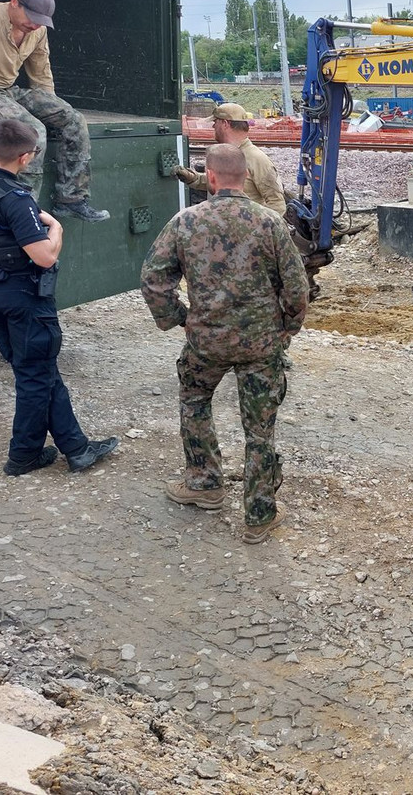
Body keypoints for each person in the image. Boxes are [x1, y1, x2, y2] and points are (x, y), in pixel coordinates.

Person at [141, 143, 308, 545]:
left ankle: (204, 484)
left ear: (211, 178)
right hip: (260, 344)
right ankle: (259, 517)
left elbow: (153, 280)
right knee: (259, 430)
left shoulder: (184, 222)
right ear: (245, 176)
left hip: (206, 342)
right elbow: (296, 287)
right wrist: (287, 328)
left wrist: (180, 319)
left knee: (195, 400)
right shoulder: (269, 222)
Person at [0, 118, 119, 475]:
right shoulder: (15, 199)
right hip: (22, 297)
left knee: (38, 371)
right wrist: (56, 228)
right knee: (34, 377)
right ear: (25, 157)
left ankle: (76, 448)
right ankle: (23, 456)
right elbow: (44, 257)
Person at [0, 0, 108, 222]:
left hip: (7, 89)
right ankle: (24, 207)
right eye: (32, 17)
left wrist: (50, 107)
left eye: (41, 21)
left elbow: (41, 70)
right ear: (14, 2)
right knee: (33, 131)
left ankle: (71, 200)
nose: (35, 25)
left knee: (73, 119)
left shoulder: (37, 29)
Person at [175, 103, 287, 214]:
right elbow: (222, 183)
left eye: (215, 122)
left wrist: (261, 224)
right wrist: (193, 178)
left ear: (225, 124)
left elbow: (277, 204)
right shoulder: (226, 153)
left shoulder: (257, 159)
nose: (213, 126)